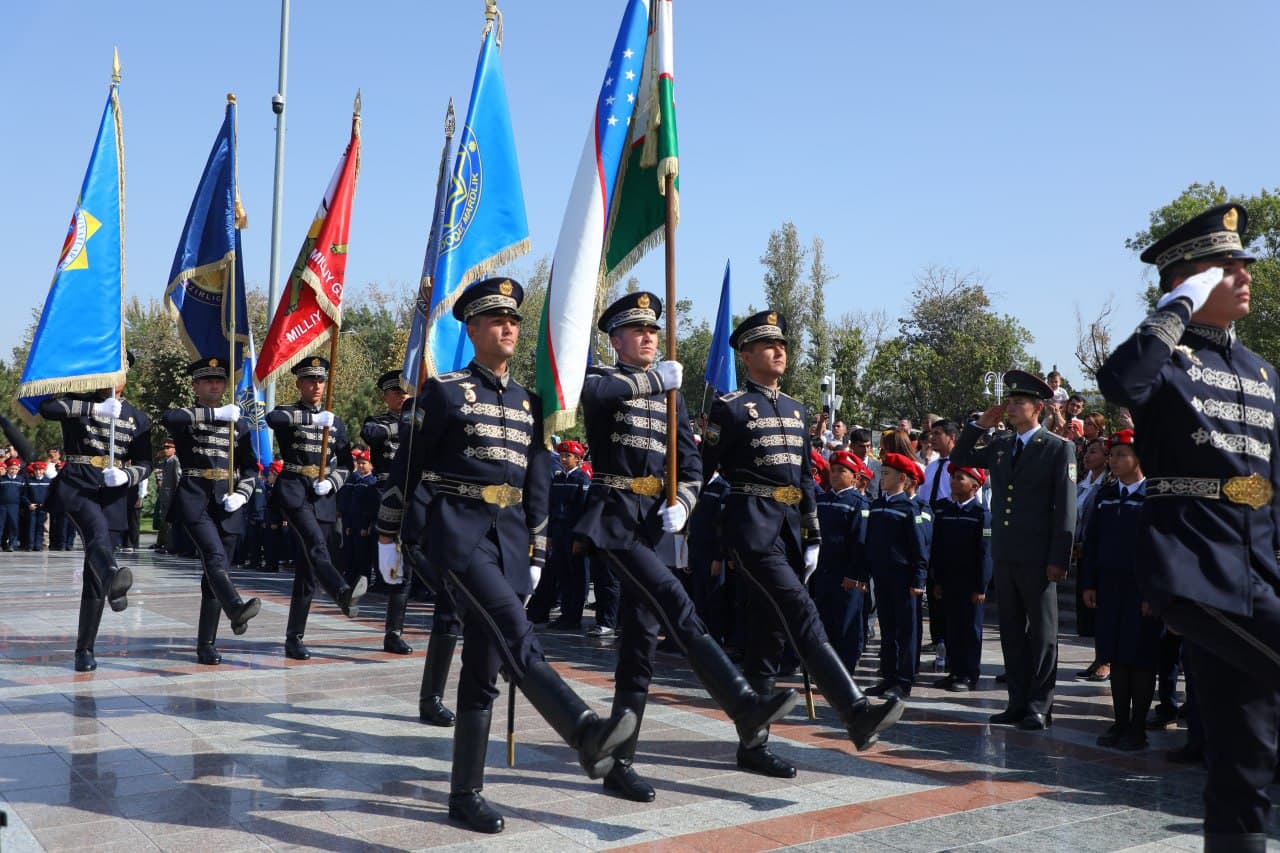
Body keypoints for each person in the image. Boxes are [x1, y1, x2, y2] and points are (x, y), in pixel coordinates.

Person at [376, 278, 636, 833]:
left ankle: (464, 793)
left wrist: (537, 548)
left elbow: (537, 480)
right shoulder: (444, 392)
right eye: (496, 319)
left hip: (511, 541)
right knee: (516, 633)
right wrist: (387, 534)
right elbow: (407, 469)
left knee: (485, 665)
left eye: (514, 319)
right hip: (459, 535)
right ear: (471, 330)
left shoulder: (529, 401)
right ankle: (584, 731)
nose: (509, 327)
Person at [1097, 202, 1280, 848]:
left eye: (1244, 263)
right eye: (1225, 265)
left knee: (1244, 762)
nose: (1244, 273)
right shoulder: (1163, 363)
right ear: (1187, 280)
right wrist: (1179, 305)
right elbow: (1119, 377)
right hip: (1196, 570)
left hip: (1258, 575)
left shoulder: (1263, 373)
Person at [576, 292, 797, 798]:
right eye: (638, 331)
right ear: (615, 341)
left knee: (640, 640)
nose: (650, 336)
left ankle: (619, 762)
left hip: (653, 526)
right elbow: (594, 396)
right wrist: (656, 379)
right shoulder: (606, 379)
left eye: (654, 330)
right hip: (613, 518)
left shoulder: (668, 396)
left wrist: (686, 501)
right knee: (676, 602)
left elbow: (693, 465)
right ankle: (743, 703)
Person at [703, 309, 905, 775]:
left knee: (767, 635)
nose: (779, 352)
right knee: (799, 609)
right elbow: (703, 467)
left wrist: (812, 533)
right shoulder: (730, 406)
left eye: (782, 345)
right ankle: (855, 711)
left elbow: (804, 478)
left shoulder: (795, 409)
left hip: (788, 530)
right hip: (750, 527)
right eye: (767, 345)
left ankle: (752, 746)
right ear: (746, 355)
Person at [951, 369, 1076, 731]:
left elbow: (1066, 508)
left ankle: (1040, 704)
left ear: (1039, 408)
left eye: (1019, 402)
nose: (1011, 407)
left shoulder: (1057, 447)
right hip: (1005, 552)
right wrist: (979, 425)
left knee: (1042, 632)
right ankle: (1017, 701)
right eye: (1010, 402)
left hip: (1039, 555)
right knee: (1010, 629)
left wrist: (1059, 557)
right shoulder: (1003, 444)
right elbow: (961, 455)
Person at [38, 360, 152, 672]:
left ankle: (85, 648)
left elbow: (146, 461)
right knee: (96, 534)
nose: (114, 377)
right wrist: (94, 411)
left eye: (120, 371)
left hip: (113, 492)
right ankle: (114, 576)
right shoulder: (79, 401)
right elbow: (47, 408)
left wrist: (129, 475)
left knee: (94, 575)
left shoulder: (137, 417)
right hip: (78, 484)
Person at [161, 357, 264, 665]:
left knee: (216, 574)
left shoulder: (239, 422)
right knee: (214, 558)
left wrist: (244, 494)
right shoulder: (188, 417)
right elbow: (170, 417)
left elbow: (250, 467)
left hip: (229, 502)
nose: (215, 385)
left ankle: (207, 643)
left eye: (219, 381)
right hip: (196, 498)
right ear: (196, 386)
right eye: (207, 381)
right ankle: (235, 607)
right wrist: (215, 413)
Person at [266, 357, 368, 660]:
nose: (317, 386)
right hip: (295, 489)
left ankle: (294, 637)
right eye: (310, 380)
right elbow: (274, 420)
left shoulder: (334, 420)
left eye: (321, 381)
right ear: (299, 383)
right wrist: (311, 421)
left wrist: (333, 482)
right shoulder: (290, 412)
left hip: (322, 494)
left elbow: (347, 464)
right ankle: (341, 592)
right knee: (316, 546)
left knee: (309, 570)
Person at [1079, 430, 1156, 751]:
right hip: (1109, 586)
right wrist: (1088, 583)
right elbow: (1092, 542)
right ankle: (1120, 722)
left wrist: (1155, 593)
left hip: (1141, 590)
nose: (1113, 461)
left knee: (1140, 659)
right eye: (1111, 455)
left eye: (1121, 455)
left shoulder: (1153, 496)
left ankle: (1138, 726)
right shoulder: (1107, 493)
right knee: (1115, 655)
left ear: (1138, 458)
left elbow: (1162, 549)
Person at [364, 370, 443, 657]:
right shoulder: (378, 423)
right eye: (396, 392)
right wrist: (410, 424)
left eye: (406, 390)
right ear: (385, 397)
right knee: (404, 567)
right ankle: (393, 632)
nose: (403, 395)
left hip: (423, 496)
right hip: (391, 496)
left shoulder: (425, 419)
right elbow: (371, 435)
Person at [863, 452, 928, 698]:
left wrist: (918, 580)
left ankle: (904, 680)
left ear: (902, 478)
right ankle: (888, 676)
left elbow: (919, 548)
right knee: (888, 629)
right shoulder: (878, 505)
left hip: (903, 576)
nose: (882, 477)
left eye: (887, 474)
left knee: (906, 630)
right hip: (881, 573)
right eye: (882, 473)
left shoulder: (909, 508)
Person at [931, 464, 992, 691]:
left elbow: (985, 554)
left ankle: (968, 674)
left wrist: (981, 586)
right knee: (951, 628)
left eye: (960, 478)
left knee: (970, 630)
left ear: (975, 486)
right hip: (949, 580)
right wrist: (937, 579)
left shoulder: (980, 515)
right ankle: (954, 671)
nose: (954, 482)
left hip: (970, 583)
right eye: (953, 478)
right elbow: (938, 547)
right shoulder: (945, 510)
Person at [812, 450, 872, 674]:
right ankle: (828, 666)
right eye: (834, 471)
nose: (836, 475)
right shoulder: (824, 499)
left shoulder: (858, 502)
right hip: (824, 569)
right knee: (825, 619)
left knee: (847, 622)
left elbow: (860, 542)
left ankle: (845, 668)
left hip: (846, 573)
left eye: (842, 471)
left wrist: (855, 574)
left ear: (855, 477)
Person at [528, 440, 591, 630]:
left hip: (574, 533)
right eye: (562, 456)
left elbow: (584, 510)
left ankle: (573, 616)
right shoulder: (557, 478)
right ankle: (565, 614)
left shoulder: (582, 479)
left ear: (578, 458)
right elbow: (552, 508)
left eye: (568, 456)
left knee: (577, 576)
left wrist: (580, 538)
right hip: (558, 532)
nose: (564, 459)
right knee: (562, 574)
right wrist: (549, 536)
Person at [153, 439, 180, 553]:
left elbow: (178, 478)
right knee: (164, 518)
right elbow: (154, 466)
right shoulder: (167, 461)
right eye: (164, 448)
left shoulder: (175, 461)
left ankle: (170, 546)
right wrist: (157, 457)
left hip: (171, 495)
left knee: (170, 520)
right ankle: (164, 543)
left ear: (174, 450)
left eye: (168, 448)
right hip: (165, 495)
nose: (165, 450)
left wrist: (178, 495)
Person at [24, 461, 52, 551]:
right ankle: (30, 545)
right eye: (36, 470)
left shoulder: (48, 481)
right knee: (31, 526)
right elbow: (24, 495)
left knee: (40, 527)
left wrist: (47, 504)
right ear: (34, 471)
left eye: (40, 470)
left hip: (43, 507)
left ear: (43, 470)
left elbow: (50, 495)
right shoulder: (29, 481)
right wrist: (29, 504)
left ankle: (38, 545)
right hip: (32, 507)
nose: (38, 472)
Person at [0, 457, 26, 550]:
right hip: (2, 506)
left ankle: (12, 544)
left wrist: (27, 504)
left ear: (18, 469)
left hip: (14, 506)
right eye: (11, 468)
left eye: (15, 469)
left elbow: (23, 494)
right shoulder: (2, 479)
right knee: (1, 525)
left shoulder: (21, 480)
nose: (13, 470)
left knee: (13, 525)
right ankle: (1, 544)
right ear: (7, 468)